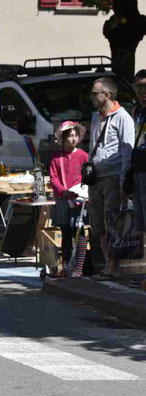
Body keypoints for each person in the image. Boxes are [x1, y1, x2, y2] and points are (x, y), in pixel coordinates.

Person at [87, 76, 135, 281]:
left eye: (94, 93)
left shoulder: (123, 118)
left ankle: (115, 266)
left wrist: (125, 179)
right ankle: (108, 263)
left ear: (106, 95)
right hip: (96, 178)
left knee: (113, 221)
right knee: (99, 225)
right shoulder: (95, 116)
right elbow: (92, 145)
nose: (91, 96)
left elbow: (127, 150)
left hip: (113, 177)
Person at [48, 121, 89, 277]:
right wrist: (62, 191)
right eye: (70, 136)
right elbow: (53, 178)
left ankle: (79, 268)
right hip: (63, 199)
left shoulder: (83, 156)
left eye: (75, 136)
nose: (73, 139)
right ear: (63, 139)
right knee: (65, 232)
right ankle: (66, 265)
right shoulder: (56, 158)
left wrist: (85, 192)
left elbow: (89, 175)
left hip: (79, 200)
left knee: (80, 232)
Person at [130, 69, 146, 288]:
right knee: (143, 225)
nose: (143, 91)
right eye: (139, 87)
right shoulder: (137, 112)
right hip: (139, 171)